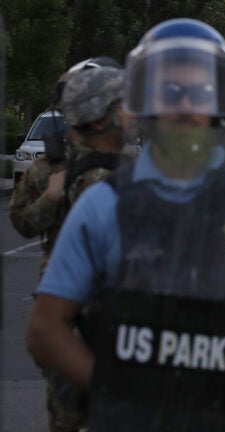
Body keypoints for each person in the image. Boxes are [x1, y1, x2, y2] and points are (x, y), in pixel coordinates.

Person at [26, 18, 225, 429]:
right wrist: (122, 388)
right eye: (169, 89)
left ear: (219, 97)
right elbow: (46, 328)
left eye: (198, 90)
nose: (184, 104)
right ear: (144, 97)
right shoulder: (105, 202)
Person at [10, 60, 131, 432]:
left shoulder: (125, 166)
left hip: (113, 298)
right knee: (69, 410)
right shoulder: (52, 168)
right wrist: (50, 197)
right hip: (69, 294)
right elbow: (22, 222)